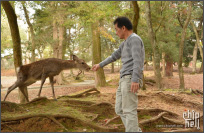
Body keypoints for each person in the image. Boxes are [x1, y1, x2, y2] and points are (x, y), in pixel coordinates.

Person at [92, 16, 145, 132]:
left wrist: (135, 79)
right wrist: (100, 65)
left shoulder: (134, 39)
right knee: (119, 109)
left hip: (131, 78)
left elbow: (138, 61)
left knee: (129, 110)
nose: (116, 33)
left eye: (116, 29)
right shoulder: (125, 43)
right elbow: (113, 56)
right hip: (123, 80)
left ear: (124, 28)